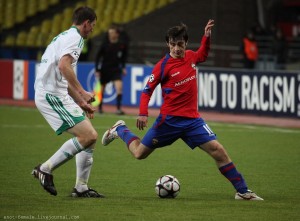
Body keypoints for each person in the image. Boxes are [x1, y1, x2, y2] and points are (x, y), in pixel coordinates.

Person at [102, 19, 263, 200]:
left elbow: (203, 53)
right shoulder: (162, 66)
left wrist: (206, 37)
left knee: (218, 150)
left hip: (193, 121)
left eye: (180, 44)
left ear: (186, 43)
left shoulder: (191, 57)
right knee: (139, 153)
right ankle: (120, 130)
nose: (176, 48)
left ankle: (243, 191)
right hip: (168, 122)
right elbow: (147, 91)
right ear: (167, 44)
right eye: (172, 44)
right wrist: (143, 113)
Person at [32, 6, 104, 198]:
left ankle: (81, 187)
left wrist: (81, 101)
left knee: (90, 138)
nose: (92, 30)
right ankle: (45, 169)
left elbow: (62, 72)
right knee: (88, 136)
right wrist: (82, 91)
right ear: (86, 23)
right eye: (93, 26)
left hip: (57, 93)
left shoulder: (64, 36)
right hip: (51, 95)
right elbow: (64, 67)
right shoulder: (76, 38)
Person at [95, 25, 128, 115]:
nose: (110, 35)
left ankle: (118, 109)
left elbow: (124, 57)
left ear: (117, 34)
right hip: (105, 69)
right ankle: (100, 108)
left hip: (116, 69)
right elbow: (98, 57)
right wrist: (97, 69)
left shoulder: (121, 45)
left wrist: (123, 67)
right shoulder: (104, 44)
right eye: (109, 33)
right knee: (102, 89)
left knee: (119, 88)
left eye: (112, 33)